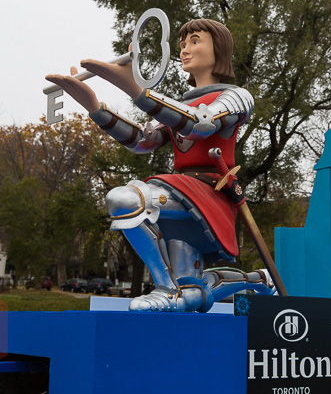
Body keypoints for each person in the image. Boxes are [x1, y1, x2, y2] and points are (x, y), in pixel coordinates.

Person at [46, 18, 274, 312]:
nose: (185, 50)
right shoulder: (179, 107)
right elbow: (142, 141)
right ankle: (258, 279)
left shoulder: (236, 97)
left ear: (219, 49)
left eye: (194, 41)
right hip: (181, 193)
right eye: (182, 44)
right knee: (190, 296)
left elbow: (199, 123)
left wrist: (137, 91)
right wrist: (95, 108)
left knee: (125, 199)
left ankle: (166, 288)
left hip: (209, 192)